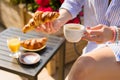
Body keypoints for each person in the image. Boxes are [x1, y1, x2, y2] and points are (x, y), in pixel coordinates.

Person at [36, 0, 120, 80]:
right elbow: (74, 1)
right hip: (94, 48)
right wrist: (58, 20)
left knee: (80, 68)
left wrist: (114, 33)